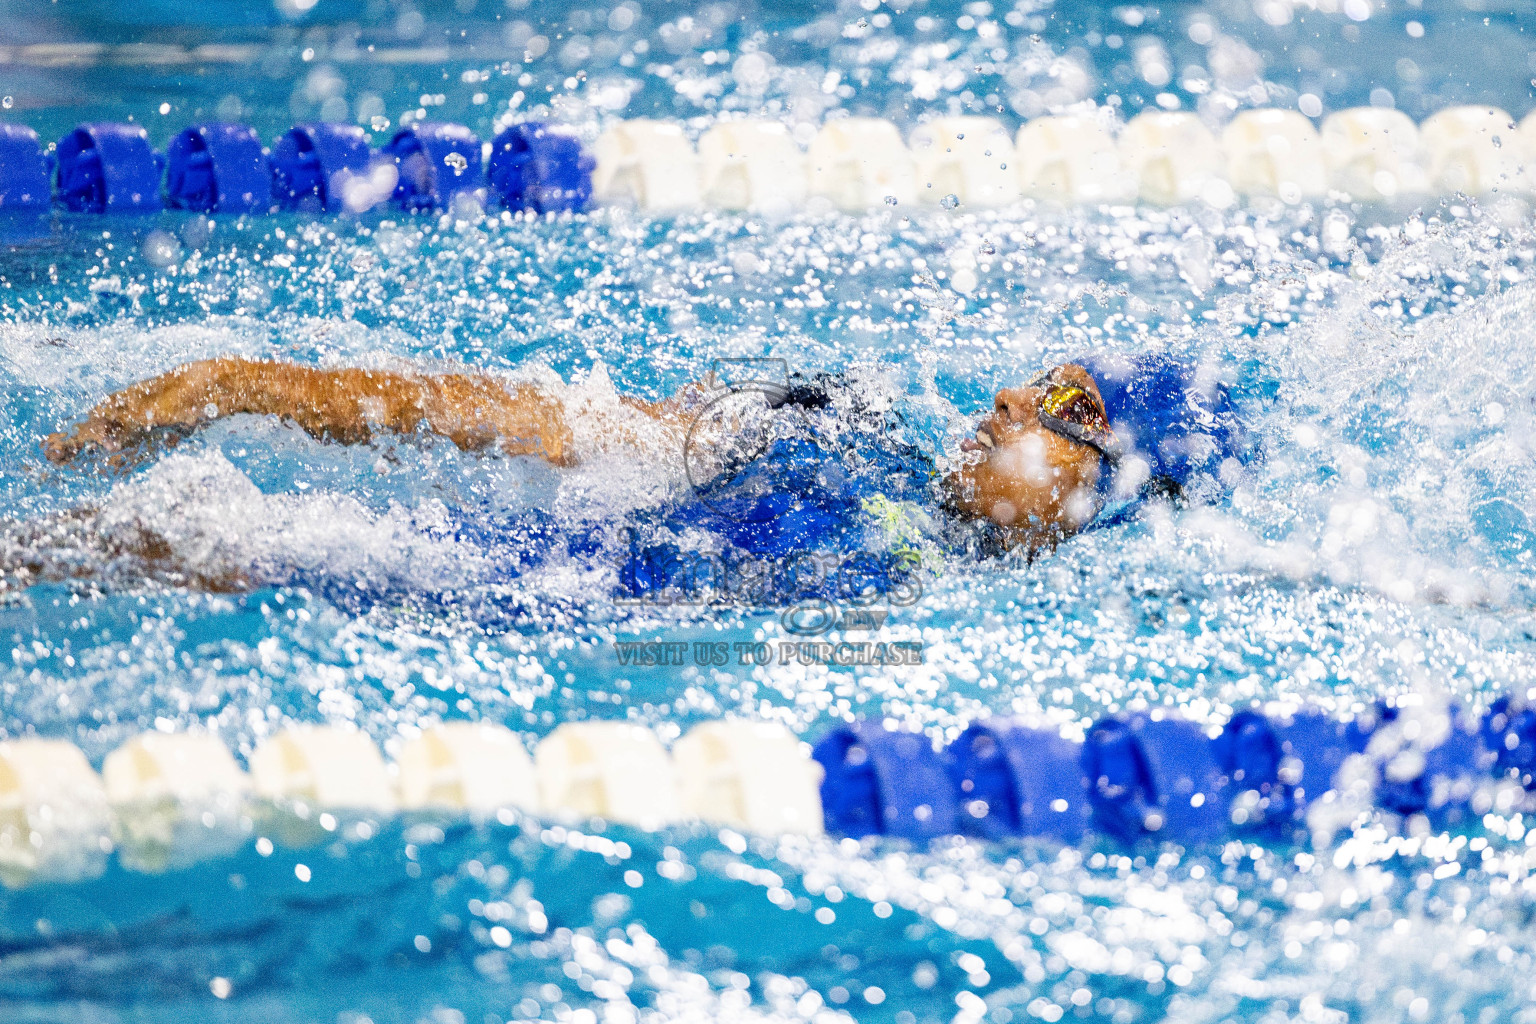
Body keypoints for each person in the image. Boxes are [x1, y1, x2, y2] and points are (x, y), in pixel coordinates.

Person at [34, 353, 1244, 602]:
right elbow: (553, 426)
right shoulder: (838, 421)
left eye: (1069, 406)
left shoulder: (973, 618)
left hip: (545, 622)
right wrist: (246, 383)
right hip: (504, 577)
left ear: (1110, 491)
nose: (1011, 401)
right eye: (1043, 375)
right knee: (164, 532)